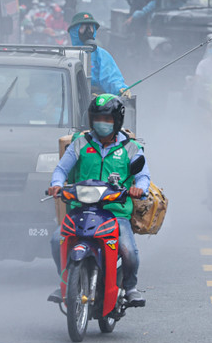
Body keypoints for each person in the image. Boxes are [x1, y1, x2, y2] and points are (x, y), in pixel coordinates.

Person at [47, 94, 151, 306]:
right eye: (97, 118)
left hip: (115, 212)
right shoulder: (80, 143)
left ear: (117, 120)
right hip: (80, 210)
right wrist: (57, 184)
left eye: (107, 119)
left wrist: (139, 189)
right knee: (56, 239)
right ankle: (64, 283)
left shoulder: (131, 148)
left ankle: (130, 287)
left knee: (129, 251)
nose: (101, 123)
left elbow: (143, 176)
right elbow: (61, 169)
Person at [67, 12, 129, 96]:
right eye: (82, 27)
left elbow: (111, 77)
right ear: (74, 31)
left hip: (96, 101)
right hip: (71, 100)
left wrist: (120, 88)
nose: (88, 31)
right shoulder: (65, 54)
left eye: (90, 27)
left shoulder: (101, 54)